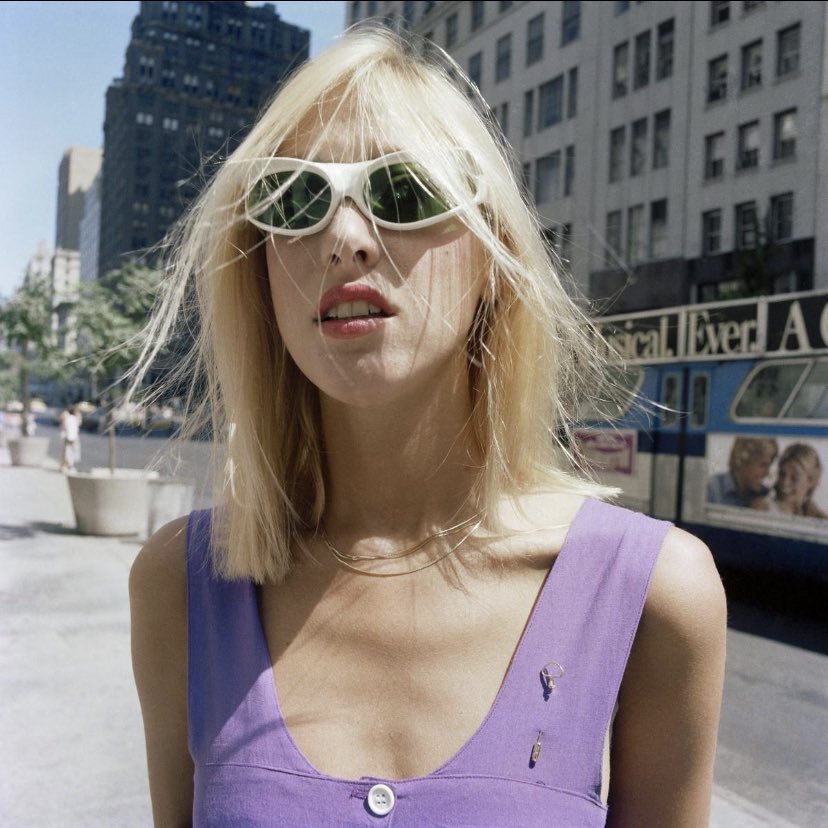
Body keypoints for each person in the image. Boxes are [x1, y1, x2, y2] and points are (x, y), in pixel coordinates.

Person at [129, 27, 726, 826]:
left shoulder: (655, 593)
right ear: (259, 265)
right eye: (295, 198)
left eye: (403, 192)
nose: (343, 238)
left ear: (492, 252)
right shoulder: (180, 584)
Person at [752, 443, 826, 518]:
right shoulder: (762, 508)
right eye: (782, 474)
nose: (785, 482)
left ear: (811, 481)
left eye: (794, 477)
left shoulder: (815, 515)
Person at [706, 436, 778, 508]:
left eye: (769, 465)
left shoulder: (765, 494)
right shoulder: (713, 489)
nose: (767, 473)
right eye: (763, 465)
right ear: (743, 462)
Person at [59, 405, 81, 472]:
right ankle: (69, 465)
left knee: (68, 451)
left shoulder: (68, 418)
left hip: (68, 437)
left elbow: (64, 427)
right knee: (71, 451)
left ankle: (67, 465)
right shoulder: (74, 418)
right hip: (74, 437)